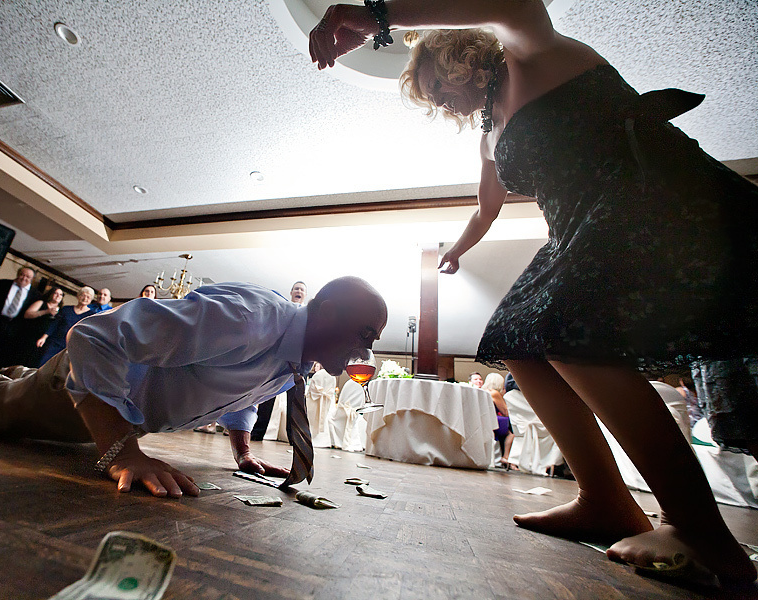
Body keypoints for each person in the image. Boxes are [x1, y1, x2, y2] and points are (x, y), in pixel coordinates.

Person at [310, 0, 757, 585]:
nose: (439, 101)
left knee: (570, 337)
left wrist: (379, 14)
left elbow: (514, 0)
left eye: (435, 84)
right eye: (430, 98)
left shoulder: (531, 53)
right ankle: (604, 500)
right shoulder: (490, 134)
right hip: (578, 230)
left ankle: (700, 531)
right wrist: (457, 250)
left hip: (650, 201)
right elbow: (486, 208)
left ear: (460, 55)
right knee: (515, 338)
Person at [0, 277, 388, 498]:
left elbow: (246, 391)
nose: (365, 352)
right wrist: (121, 452)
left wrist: (241, 450)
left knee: (20, 390)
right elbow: (93, 337)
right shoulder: (250, 317)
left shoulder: (294, 359)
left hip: (116, 402)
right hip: (93, 392)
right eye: (365, 335)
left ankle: (26, 379)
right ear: (326, 310)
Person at [251, 281, 311, 442]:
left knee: (296, 402)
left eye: (302, 289)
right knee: (266, 396)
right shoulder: (282, 309)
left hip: (299, 363)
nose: (299, 291)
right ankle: (257, 433)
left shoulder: (310, 314)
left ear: (305, 294)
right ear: (291, 292)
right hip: (278, 360)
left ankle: (293, 438)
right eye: (296, 288)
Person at [37, 287, 95, 366]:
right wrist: (44, 337)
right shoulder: (66, 309)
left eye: (88, 297)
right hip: (55, 343)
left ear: (91, 299)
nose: (85, 298)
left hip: (71, 348)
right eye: (83, 295)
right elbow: (54, 324)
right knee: (43, 364)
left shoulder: (91, 315)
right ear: (78, 296)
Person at [10, 286, 64, 367]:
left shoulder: (61, 310)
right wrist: (47, 311)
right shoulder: (41, 303)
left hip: (44, 340)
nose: (58, 296)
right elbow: (27, 314)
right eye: (55, 293)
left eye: (60, 294)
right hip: (30, 335)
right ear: (50, 294)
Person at [482, 372, 516, 469]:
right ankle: (506, 456)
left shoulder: (483, 390)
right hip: (494, 419)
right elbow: (505, 411)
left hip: (486, 419)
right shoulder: (494, 393)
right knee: (512, 433)